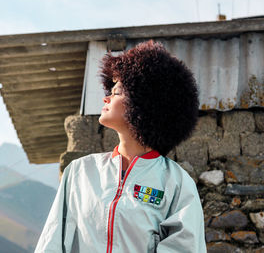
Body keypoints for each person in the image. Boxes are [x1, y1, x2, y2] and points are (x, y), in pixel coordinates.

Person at [35, 40, 206, 253]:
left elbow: (185, 248)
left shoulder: (176, 183)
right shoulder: (80, 172)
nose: (106, 98)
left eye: (116, 92)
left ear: (144, 103)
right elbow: (51, 243)